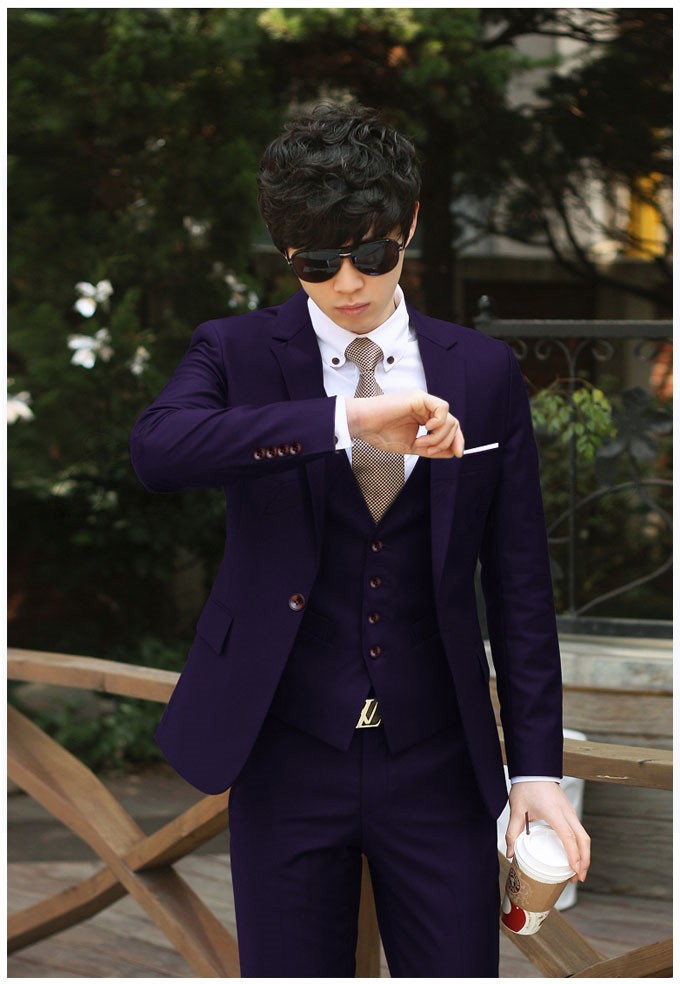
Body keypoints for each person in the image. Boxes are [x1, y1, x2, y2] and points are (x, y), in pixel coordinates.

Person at [130, 103, 590, 977]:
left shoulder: (484, 371)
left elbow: (522, 589)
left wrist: (535, 770)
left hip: (439, 759)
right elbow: (158, 451)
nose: (349, 283)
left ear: (409, 224)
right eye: (317, 261)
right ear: (284, 249)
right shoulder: (235, 351)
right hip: (284, 751)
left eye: (372, 253)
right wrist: (346, 420)